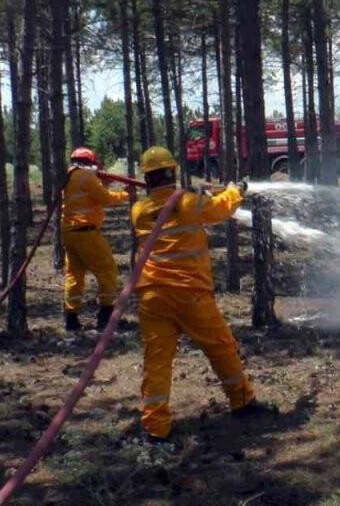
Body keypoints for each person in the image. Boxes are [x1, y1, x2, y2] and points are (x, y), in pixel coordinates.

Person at [130, 146, 271, 443]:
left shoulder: (138, 211)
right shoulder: (188, 203)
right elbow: (220, 209)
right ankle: (242, 401)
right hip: (189, 294)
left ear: (147, 177)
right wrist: (235, 190)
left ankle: (156, 427)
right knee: (221, 347)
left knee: (156, 362)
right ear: (172, 172)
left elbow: (171, 206)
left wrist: (197, 193)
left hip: (152, 297)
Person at [61, 147, 131, 332]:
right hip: (86, 232)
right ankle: (105, 316)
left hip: (69, 233)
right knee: (107, 270)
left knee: (74, 275)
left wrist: (103, 183)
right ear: (90, 163)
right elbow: (105, 199)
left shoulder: (69, 176)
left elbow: (90, 197)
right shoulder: (86, 176)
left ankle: (71, 319)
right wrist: (126, 194)